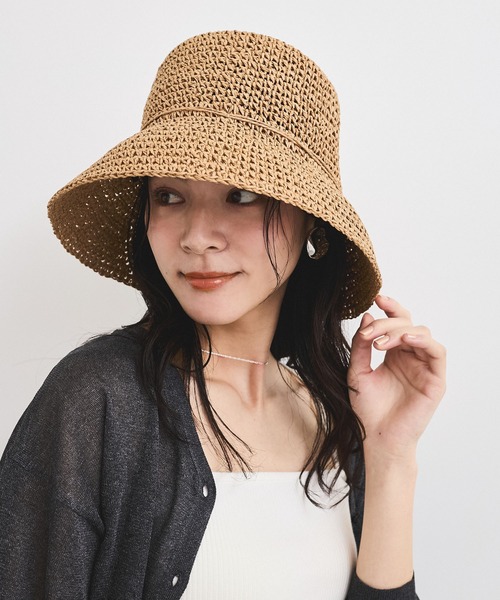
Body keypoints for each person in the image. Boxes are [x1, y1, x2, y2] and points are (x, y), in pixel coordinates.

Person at [0, 31, 446, 599]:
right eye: (168, 196)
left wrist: (390, 455)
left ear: (311, 221)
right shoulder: (97, 399)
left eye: (241, 195)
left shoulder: (337, 410)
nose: (197, 237)